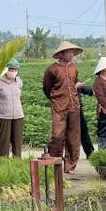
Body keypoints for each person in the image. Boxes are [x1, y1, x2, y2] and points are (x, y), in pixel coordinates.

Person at [42, 41, 83, 172]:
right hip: (58, 106)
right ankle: (56, 162)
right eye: (68, 52)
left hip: (74, 106)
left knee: (74, 137)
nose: (71, 55)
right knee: (57, 135)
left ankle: (70, 165)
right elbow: (47, 88)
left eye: (72, 53)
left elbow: (74, 83)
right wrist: (56, 98)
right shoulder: (52, 70)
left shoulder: (74, 68)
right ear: (61, 54)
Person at [0, 59, 24, 159]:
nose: (13, 71)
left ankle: (17, 162)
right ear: (6, 69)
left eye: (15, 69)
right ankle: (3, 162)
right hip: (4, 116)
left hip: (18, 115)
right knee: (3, 143)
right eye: (11, 69)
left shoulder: (19, 81)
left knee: (17, 142)